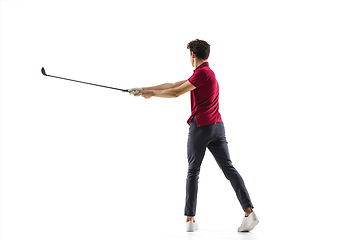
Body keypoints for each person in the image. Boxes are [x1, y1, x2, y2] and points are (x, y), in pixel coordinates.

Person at [128, 39, 259, 232]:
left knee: (193, 171)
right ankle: (250, 212)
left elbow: (175, 93)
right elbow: (174, 84)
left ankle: (190, 219)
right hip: (217, 127)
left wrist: (152, 94)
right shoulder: (205, 73)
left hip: (202, 127)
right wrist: (144, 90)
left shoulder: (202, 73)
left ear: (192, 55)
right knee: (229, 169)